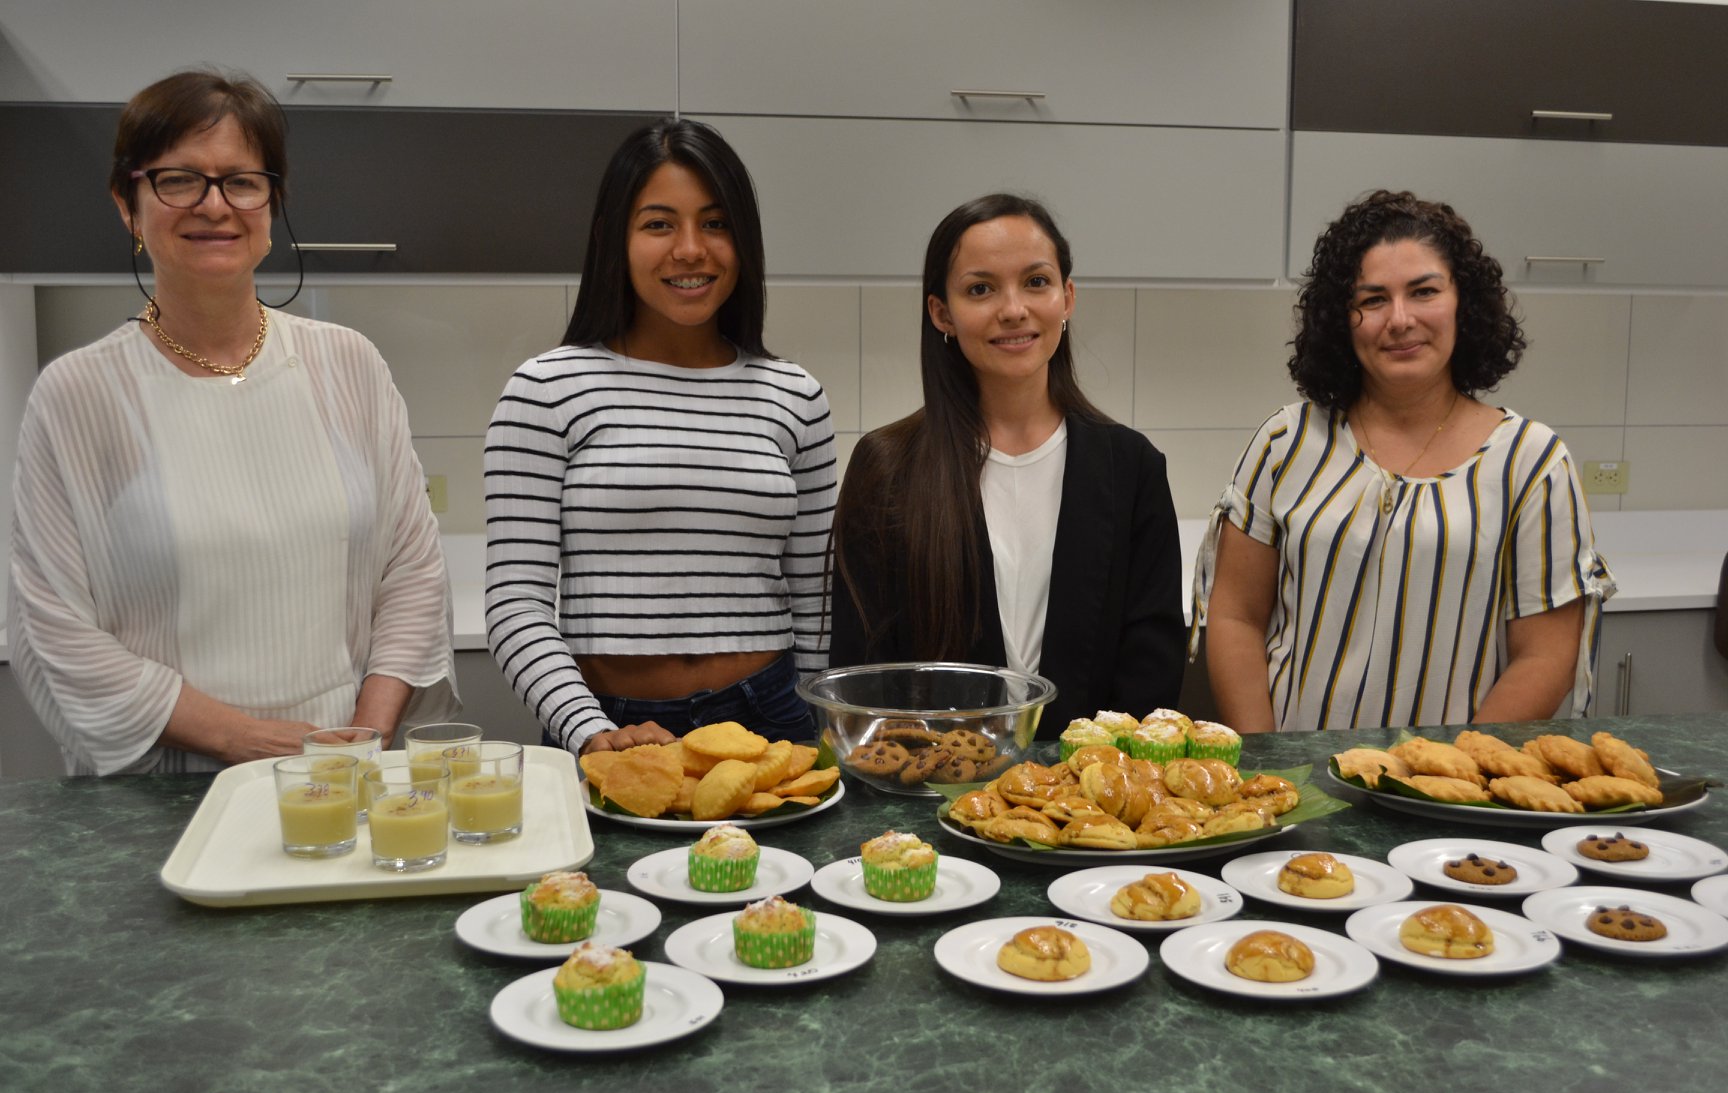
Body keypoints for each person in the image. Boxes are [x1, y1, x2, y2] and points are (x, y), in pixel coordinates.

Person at [8, 69, 458, 775]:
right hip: (167, 793)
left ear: (271, 204)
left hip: (348, 773)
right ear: (128, 204)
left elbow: (413, 572)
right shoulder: (78, 394)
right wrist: (245, 741)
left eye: (242, 181)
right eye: (179, 179)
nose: (214, 205)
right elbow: (53, 629)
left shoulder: (349, 365)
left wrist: (364, 740)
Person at [1196, 189, 1615, 733]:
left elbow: (1545, 657)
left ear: (1464, 303)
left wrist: (1448, 777)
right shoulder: (1285, 442)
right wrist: (1268, 765)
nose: (1399, 319)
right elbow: (1234, 617)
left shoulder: (1531, 462)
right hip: (1296, 783)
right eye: (1372, 299)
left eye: (1423, 292)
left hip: (1449, 790)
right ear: (1341, 320)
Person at [485, 118, 835, 756]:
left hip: (769, 717)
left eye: (716, 222)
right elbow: (516, 605)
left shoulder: (795, 395)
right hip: (606, 723)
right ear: (613, 238)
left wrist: (813, 730)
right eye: (658, 224)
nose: (691, 249)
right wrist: (590, 729)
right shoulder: (546, 389)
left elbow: (816, 596)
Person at [830, 193, 1185, 740]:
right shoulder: (888, 469)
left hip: (1086, 801)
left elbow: (1150, 674)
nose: (1013, 308)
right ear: (941, 313)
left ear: (1067, 297)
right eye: (981, 288)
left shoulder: (1130, 468)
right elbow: (866, 683)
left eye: (1036, 282)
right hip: (928, 794)